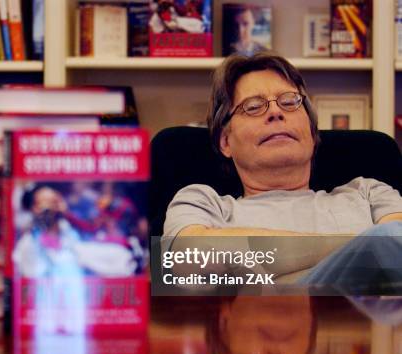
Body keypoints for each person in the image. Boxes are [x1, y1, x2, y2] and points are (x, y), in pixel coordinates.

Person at [163, 53, 402, 293]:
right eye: (253, 107)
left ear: (311, 129)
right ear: (225, 141)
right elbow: (187, 258)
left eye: (289, 102)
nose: (276, 113)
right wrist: (366, 244)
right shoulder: (203, 203)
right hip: (264, 325)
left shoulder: (368, 193)